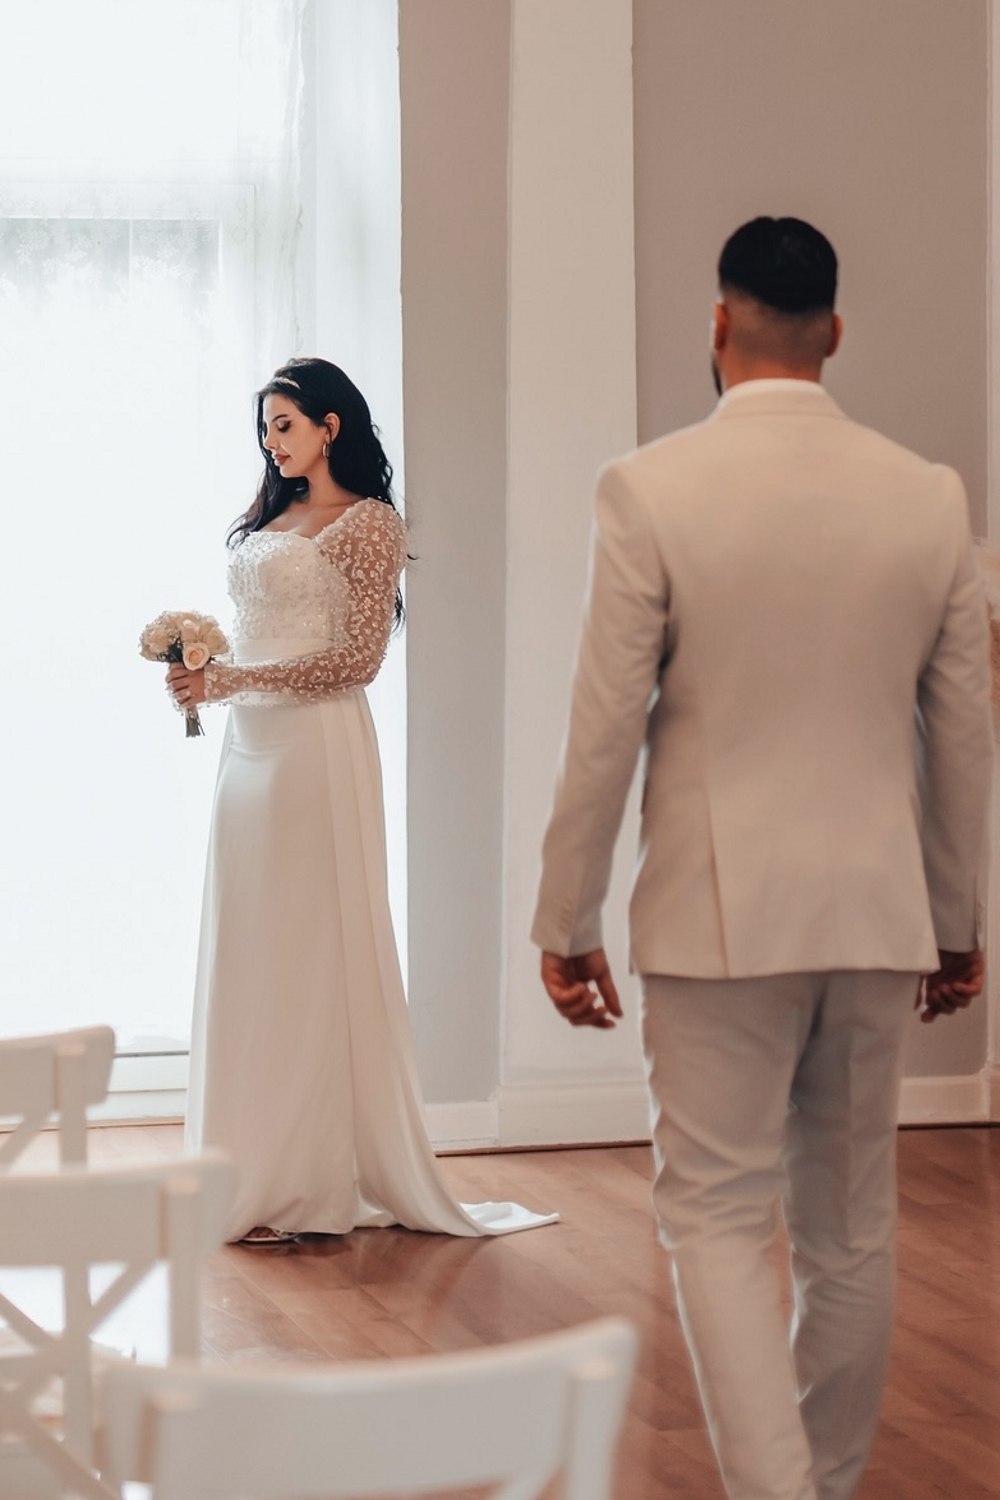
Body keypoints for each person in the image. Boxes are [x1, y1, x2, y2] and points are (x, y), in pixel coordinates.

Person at [531, 219, 991, 1500]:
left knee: (719, 1222)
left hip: (713, 920)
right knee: (852, 1230)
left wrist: (566, 915)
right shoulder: (929, 494)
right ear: (834, 335)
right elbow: (960, 735)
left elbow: (602, 726)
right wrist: (955, 918)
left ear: (717, 328)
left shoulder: (649, 488)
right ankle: (822, 1485)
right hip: (873, 911)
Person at [169, 356, 555, 1244]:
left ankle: (306, 1181)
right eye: (265, 429)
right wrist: (203, 678)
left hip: (315, 746)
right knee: (251, 935)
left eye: (285, 426)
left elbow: (357, 663)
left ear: (331, 425)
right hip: (248, 749)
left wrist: (230, 680)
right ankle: (244, 1170)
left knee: (309, 939)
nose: (272, 443)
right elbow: (261, 632)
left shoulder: (371, 523)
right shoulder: (273, 515)